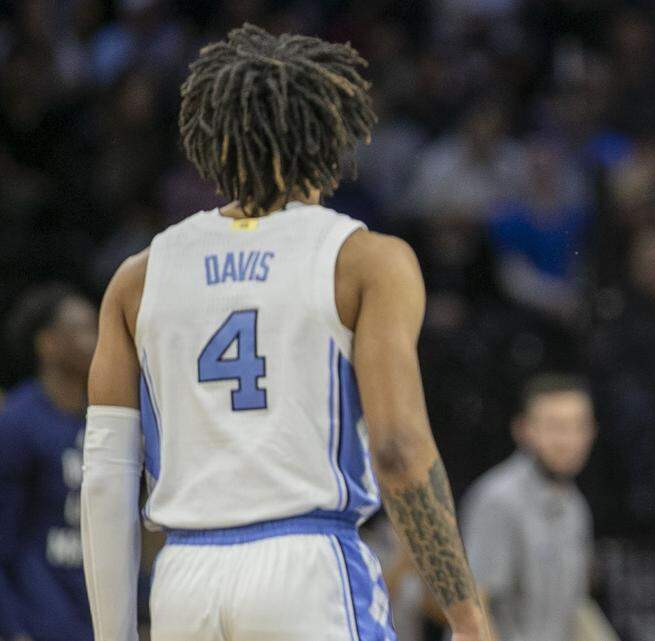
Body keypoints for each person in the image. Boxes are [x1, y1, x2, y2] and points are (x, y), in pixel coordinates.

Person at [80, 24, 491, 641]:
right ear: (332, 137)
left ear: (210, 141)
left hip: (185, 580)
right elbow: (398, 448)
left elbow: (107, 477)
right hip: (308, 566)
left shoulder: (137, 278)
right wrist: (466, 614)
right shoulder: (366, 260)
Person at [460, 374, 611, 641]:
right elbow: (473, 606)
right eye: (556, 427)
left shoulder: (575, 506)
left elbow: (575, 606)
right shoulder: (499, 499)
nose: (568, 441)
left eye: (579, 426)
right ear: (524, 430)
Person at [0, 284, 97, 641]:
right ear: (48, 344)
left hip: (95, 612)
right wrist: (13, 628)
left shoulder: (106, 421)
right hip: (40, 617)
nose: (97, 339)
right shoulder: (17, 423)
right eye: (83, 328)